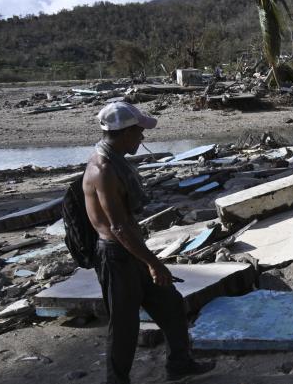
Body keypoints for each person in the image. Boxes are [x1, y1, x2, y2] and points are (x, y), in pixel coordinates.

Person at [83, 102, 215, 384]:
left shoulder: (116, 160)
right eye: (139, 132)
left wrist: (147, 260)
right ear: (125, 132)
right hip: (117, 257)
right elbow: (118, 226)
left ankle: (179, 364)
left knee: (171, 304)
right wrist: (153, 264)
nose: (142, 138)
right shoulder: (103, 169)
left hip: (133, 251)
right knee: (124, 326)